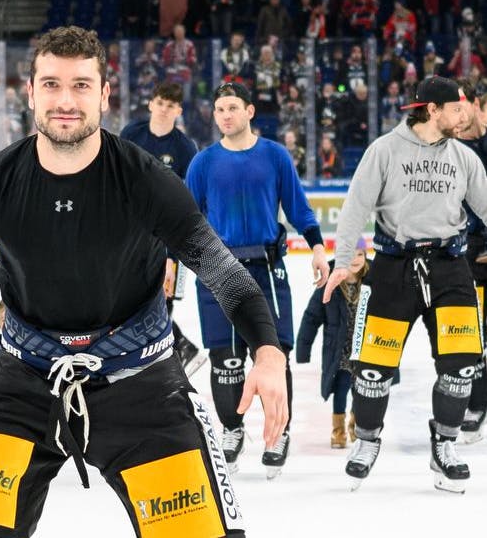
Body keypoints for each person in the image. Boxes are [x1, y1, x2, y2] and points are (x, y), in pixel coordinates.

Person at [0, 26, 287, 538]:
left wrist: (268, 351)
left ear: (104, 94)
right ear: (31, 93)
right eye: (52, 84)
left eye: (81, 85)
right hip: (22, 383)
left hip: (142, 385)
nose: (66, 100)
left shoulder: (145, 180)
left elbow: (223, 271)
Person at [324, 76, 487, 493]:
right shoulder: (384, 151)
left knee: (462, 365)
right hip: (395, 267)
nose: (463, 114)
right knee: (373, 370)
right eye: (457, 107)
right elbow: (355, 207)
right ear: (432, 110)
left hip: (451, 268)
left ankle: (445, 444)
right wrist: (343, 262)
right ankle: (367, 441)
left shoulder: (465, 158)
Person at [186, 81, 328, 479]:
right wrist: (168, 262)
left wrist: (317, 247)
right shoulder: (203, 163)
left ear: (249, 112)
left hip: (267, 268)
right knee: (225, 360)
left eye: (232, 107)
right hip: (218, 269)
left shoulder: (275, 156)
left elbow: (299, 210)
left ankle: (278, 432)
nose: (225, 115)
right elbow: (186, 219)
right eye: (219, 110)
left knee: (272, 355)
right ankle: (232, 430)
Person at [120, 81, 202, 374]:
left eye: (171, 106)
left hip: (170, 240)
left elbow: (186, 204)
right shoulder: (132, 134)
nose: (165, 110)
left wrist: (172, 256)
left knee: (163, 304)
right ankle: (173, 352)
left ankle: (170, 358)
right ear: (151, 104)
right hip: (132, 235)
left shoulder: (184, 147)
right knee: (128, 299)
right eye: (161, 103)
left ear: (178, 110)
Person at [297, 238, 370, 449]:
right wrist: (303, 349)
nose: (355, 260)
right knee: (340, 389)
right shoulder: (330, 282)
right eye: (350, 254)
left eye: (360, 254)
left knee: (362, 390)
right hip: (339, 351)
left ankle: (355, 426)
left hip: (365, 351)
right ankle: (338, 431)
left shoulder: (374, 279)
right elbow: (312, 316)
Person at [453, 79, 487, 444]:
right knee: (467, 334)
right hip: (463, 253)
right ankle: (473, 403)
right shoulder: (449, 148)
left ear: (478, 105)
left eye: (462, 106)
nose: (457, 116)